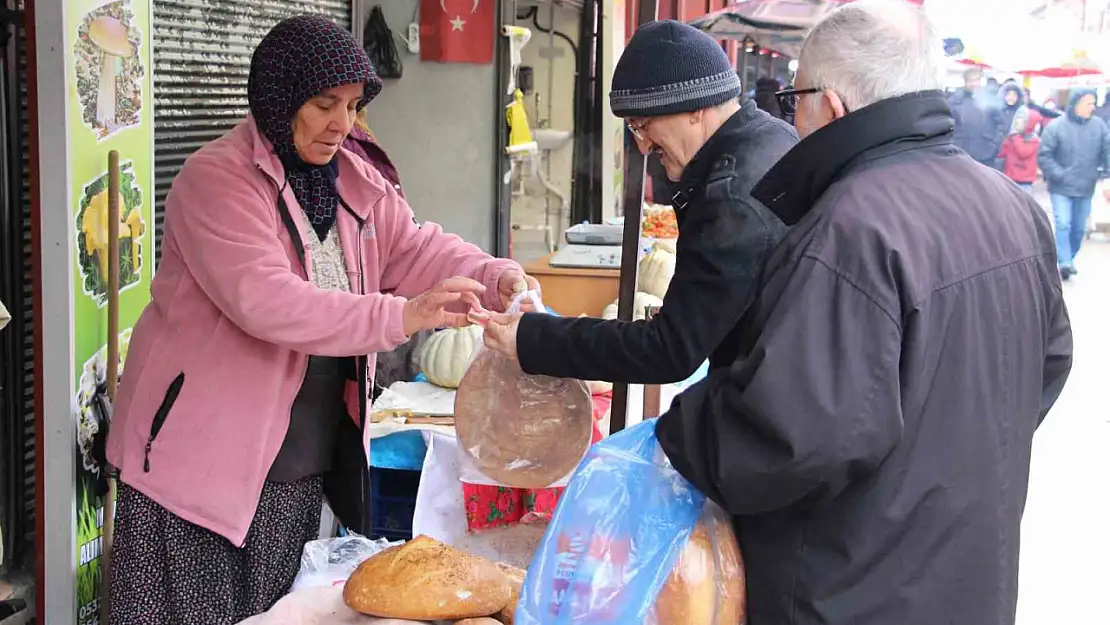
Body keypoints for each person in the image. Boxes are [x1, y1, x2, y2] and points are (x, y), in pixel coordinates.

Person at [649, 1, 1072, 623]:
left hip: (848, 586)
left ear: (833, 104)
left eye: (794, 101)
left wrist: (682, 428)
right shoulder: (1011, 205)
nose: (791, 120)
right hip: (971, 572)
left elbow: (787, 437)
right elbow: (1049, 365)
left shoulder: (848, 229)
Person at [105, 15, 536, 624]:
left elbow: (413, 246)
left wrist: (494, 274)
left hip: (298, 460)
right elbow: (266, 300)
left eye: (353, 106)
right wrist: (403, 315)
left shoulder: (354, 176)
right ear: (279, 101)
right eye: (324, 104)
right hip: (199, 459)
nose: (342, 123)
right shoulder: (216, 181)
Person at [473, 20, 798, 387]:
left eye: (644, 125)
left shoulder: (731, 198)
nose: (643, 146)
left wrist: (531, 338)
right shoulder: (771, 137)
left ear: (695, 108)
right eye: (634, 129)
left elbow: (668, 351)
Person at [1038, 88, 1110, 280]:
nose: (1092, 107)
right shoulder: (1056, 126)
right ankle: (1064, 262)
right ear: (1076, 104)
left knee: (1078, 229)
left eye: (1093, 103)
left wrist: (1107, 176)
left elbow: (1107, 152)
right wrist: (1059, 174)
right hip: (1061, 186)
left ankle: (1067, 258)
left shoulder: (1099, 127)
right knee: (1063, 223)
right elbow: (1044, 155)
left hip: (1086, 186)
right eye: (1088, 103)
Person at [949, 67, 1003, 166]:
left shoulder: (990, 100)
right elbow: (949, 126)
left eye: (976, 80)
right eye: (970, 80)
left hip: (985, 154)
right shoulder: (955, 102)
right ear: (965, 82)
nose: (974, 84)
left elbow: (1000, 126)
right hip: (961, 153)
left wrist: (994, 147)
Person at [998, 107, 1042, 193]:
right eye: (1017, 118)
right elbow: (1002, 153)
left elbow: (1023, 152)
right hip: (1009, 178)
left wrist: (1014, 137)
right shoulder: (1013, 137)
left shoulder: (1033, 140)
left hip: (1024, 182)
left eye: (1021, 119)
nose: (1018, 121)